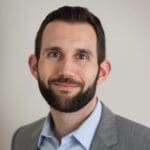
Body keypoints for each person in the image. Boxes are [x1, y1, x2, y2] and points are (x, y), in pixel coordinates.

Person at [11, 6, 150, 150]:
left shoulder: (144, 143)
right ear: (34, 66)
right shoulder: (21, 138)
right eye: (54, 54)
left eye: (82, 56)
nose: (66, 70)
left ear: (102, 72)